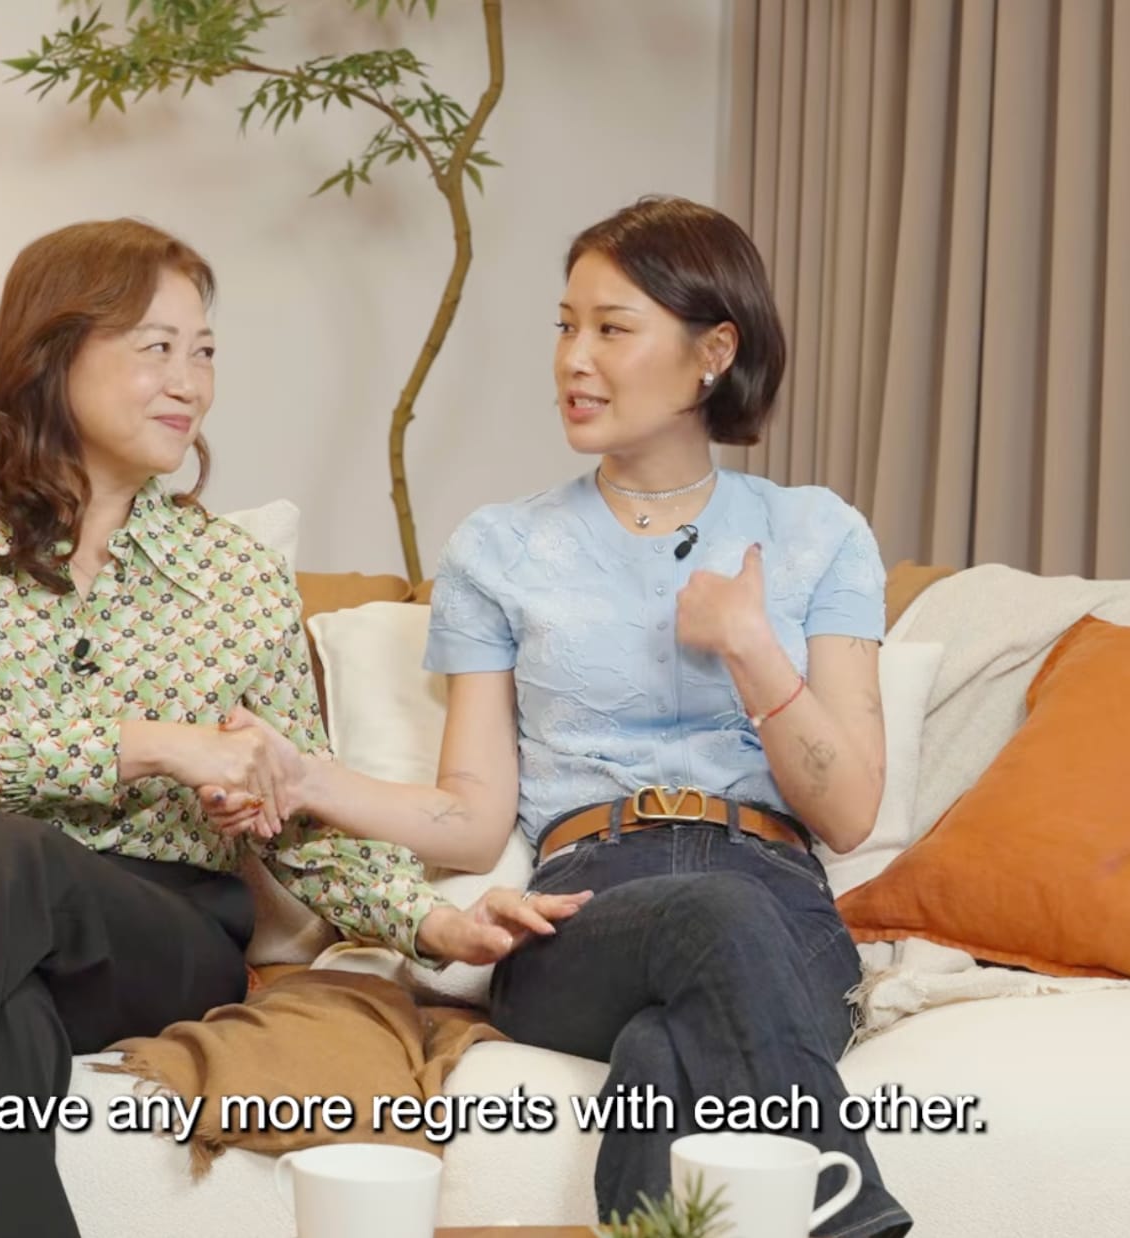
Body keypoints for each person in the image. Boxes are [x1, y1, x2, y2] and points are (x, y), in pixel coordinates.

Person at [0, 219, 588, 1238]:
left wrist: (433, 925)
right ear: (51, 354)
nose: (190, 382)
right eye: (157, 347)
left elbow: (297, 813)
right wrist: (165, 742)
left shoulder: (234, 577)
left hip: (144, 931)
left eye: (204, 351)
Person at [213, 197, 913, 1237]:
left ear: (713, 352)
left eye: (612, 328)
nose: (573, 359)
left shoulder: (818, 532)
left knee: (660, 1053)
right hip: (584, 911)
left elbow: (849, 812)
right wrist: (307, 775)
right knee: (708, 923)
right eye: (565, 325)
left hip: (779, 912)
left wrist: (752, 646)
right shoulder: (500, 548)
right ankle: (854, 1222)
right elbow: (469, 816)